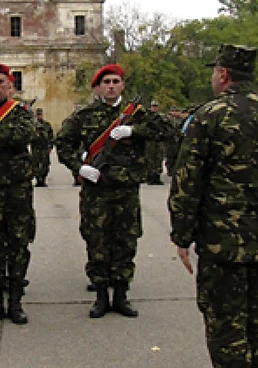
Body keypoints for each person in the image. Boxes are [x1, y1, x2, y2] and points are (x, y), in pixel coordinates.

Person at [168, 44, 258, 367]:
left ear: (224, 74)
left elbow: (187, 181)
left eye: (215, 73)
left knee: (227, 333)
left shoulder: (208, 117)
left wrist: (182, 235)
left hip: (222, 247)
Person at [56, 63, 169, 319]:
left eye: (115, 81)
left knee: (125, 242)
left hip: (127, 189)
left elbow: (169, 129)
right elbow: (63, 142)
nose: (110, 86)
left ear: (122, 85)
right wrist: (79, 168)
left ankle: (120, 295)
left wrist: (134, 130)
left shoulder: (137, 114)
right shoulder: (84, 115)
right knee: (97, 242)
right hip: (97, 190)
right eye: (105, 82)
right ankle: (100, 296)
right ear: (97, 87)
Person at [0, 63, 36, 325]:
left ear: (10, 86)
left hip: (16, 190)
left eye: (1, 82)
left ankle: (15, 301)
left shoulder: (21, 112)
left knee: (18, 244)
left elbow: (24, 133)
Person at [31, 107, 54, 187]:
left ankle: (43, 180)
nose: (39, 116)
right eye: (37, 115)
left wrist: (51, 146)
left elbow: (51, 136)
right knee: (35, 165)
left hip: (44, 148)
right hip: (35, 148)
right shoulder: (32, 125)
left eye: (40, 114)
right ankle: (38, 180)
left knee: (45, 164)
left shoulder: (47, 125)